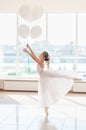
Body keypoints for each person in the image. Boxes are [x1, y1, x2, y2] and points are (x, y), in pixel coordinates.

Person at [23, 44, 80, 116]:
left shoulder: (41, 62)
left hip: (44, 76)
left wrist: (28, 51)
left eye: (41, 54)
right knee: (46, 91)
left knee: (58, 76)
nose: (39, 54)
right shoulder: (40, 61)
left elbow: (33, 57)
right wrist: (29, 48)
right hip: (43, 77)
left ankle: (72, 77)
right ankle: (46, 107)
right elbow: (34, 56)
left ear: (43, 57)